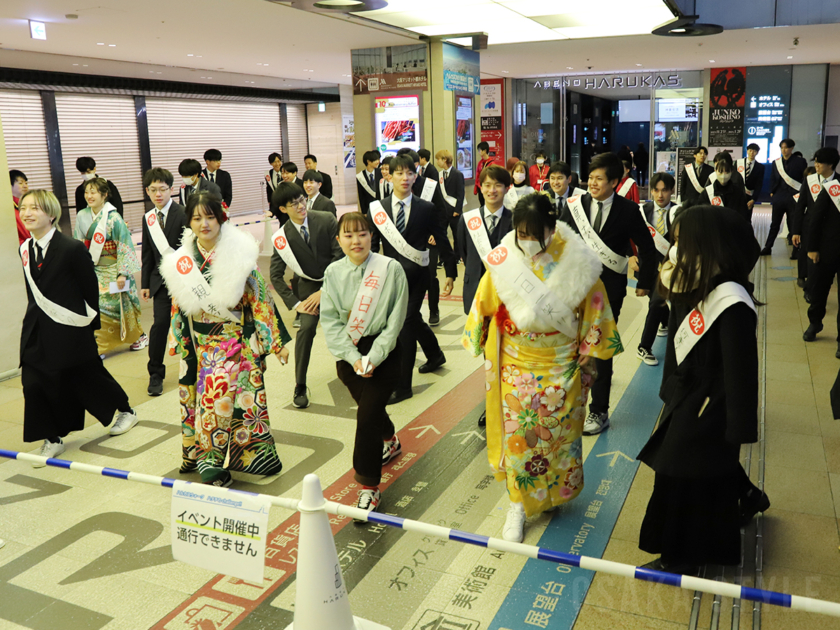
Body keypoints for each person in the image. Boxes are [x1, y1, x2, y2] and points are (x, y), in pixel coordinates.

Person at [462, 193, 620, 542]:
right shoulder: (506, 259)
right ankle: (517, 505)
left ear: (552, 228)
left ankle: (551, 493)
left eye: (536, 233)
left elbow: (596, 305)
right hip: (517, 364)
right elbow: (485, 299)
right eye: (522, 233)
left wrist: (590, 349)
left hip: (562, 364)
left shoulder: (577, 259)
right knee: (522, 437)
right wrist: (477, 334)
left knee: (560, 435)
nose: (528, 241)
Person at [637, 204, 764, 575]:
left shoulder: (732, 299)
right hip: (685, 392)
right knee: (702, 466)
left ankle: (682, 557)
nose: (675, 248)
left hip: (711, 401)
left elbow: (742, 372)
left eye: (681, 241)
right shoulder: (694, 279)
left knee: (680, 472)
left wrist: (738, 427)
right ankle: (748, 496)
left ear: (705, 244)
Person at [161, 191, 291, 487]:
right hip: (200, 342)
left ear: (221, 218)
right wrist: (177, 339)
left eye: (210, 217)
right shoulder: (182, 261)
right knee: (207, 400)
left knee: (241, 399)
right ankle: (207, 458)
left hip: (236, 341)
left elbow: (260, 298)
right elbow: (178, 305)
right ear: (189, 222)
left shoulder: (239, 254)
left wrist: (275, 342)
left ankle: (251, 453)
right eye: (197, 218)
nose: (204, 223)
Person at [18, 189, 139, 465]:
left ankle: (126, 410)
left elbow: (89, 291)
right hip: (37, 328)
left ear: (51, 213)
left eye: (34, 208)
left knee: (87, 376)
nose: (27, 213)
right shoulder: (25, 249)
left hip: (71, 328)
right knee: (34, 383)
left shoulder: (72, 248)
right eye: (24, 208)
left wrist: (88, 329)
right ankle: (52, 438)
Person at [560, 152, 657, 436]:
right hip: (574, 289)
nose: (592, 183)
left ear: (614, 181)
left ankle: (599, 412)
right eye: (590, 178)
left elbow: (646, 247)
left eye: (599, 179)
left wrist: (645, 281)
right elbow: (559, 239)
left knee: (601, 350)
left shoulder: (628, 210)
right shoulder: (575, 205)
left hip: (609, 291)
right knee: (571, 346)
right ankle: (566, 405)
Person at [321, 211, 409, 515]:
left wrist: (373, 357)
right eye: (348, 235)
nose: (355, 240)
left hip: (385, 353)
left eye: (361, 233)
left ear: (372, 235)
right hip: (350, 355)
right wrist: (355, 358)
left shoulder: (391, 269)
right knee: (371, 411)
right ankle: (390, 439)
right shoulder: (332, 273)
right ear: (339, 240)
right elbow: (330, 322)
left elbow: (395, 321)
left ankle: (369, 487)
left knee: (366, 414)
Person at [369, 154, 457, 405]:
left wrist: (450, 271)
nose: (405, 178)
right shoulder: (378, 208)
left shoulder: (426, 208)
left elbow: (441, 238)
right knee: (413, 319)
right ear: (389, 175)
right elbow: (373, 245)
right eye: (399, 173)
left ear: (415, 176)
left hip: (419, 275)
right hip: (390, 277)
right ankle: (435, 354)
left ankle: (403, 386)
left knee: (405, 323)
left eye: (410, 173)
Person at [269, 181, 343, 409]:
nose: (301, 206)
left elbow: (339, 257)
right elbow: (275, 276)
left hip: (338, 282)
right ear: (283, 209)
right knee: (307, 328)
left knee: (354, 321)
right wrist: (296, 304)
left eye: (302, 200)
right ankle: (300, 384)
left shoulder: (325, 219)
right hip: (309, 289)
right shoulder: (282, 237)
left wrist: (325, 291)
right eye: (294, 204)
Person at [456, 164, 513, 428]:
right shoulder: (468, 220)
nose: (492, 190)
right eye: (487, 185)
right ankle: (492, 404)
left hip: (509, 296)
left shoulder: (516, 220)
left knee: (508, 352)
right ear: (480, 187)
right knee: (487, 354)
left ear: (506, 188)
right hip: (477, 296)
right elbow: (464, 253)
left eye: (497, 185)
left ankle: (509, 401)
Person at [73, 177, 147, 355]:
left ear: (104, 195)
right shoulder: (82, 215)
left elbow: (124, 244)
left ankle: (138, 336)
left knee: (122, 305)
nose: (89, 196)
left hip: (115, 268)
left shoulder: (114, 218)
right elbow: (78, 242)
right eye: (87, 192)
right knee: (97, 305)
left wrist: (123, 273)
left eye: (93, 192)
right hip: (95, 268)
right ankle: (102, 344)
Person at [141, 167, 186, 396]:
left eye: (162, 189)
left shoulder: (184, 213)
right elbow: (147, 252)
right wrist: (146, 283)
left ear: (171, 189)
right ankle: (155, 374)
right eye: (153, 189)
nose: (158, 194)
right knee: (159, 326)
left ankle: (193, 369)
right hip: (160, 283)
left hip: (186, 280)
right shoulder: (148, 218)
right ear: (147, 191)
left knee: (189, 326)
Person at [634, 173, 678, 367]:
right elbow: (629, 234)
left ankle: (644, 346)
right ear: (651, 191)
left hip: (670, 268)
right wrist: (630, 256)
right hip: (647, 268)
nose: (660, 195)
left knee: (656, 302)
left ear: (671, 191)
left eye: (664, 190)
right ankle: (666, 322)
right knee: (656, 302)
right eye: (656, 190)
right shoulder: (642, 211)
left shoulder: (679, 212)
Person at [802, 148, 840, 350]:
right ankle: (814, 323)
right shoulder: (832, 187)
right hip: (826, 250)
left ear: (831, 164)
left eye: (819, 162)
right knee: (818, 291)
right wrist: (813, 248)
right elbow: (815, 220)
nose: (816, 165)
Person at [761, 138, 808, 256]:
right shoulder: (776, 163)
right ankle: (768, 247)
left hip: (794, 196)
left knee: (793, 223)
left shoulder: (800, 162)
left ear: (792, 148)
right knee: (774, 223)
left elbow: (804, 178)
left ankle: (795, 250)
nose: (784, 150)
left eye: (786, 147)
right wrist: (772, 192)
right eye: (782, 148)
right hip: (779, 196)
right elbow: (772, 178)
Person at [792, 160, 828, 291]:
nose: (817, 165)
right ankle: (804, 279)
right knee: (806, 253)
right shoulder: (810, 181)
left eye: (820, 162)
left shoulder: (836, 181)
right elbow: (800, 207)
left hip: (829, 228)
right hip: (809, 225)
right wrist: (796, 231)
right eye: (816, 162)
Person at [699, 152, 750, 224]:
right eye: (720, 172)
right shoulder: (707, 193)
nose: (723, 175)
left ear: (731, 171)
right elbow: (702, 214)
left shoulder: (738, 193)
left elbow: (743, 214)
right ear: (715, 171)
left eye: (727, 171)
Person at [435, 149, 466, 246]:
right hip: (443, 211)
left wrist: (458, 210)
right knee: (441, 234)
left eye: (438, 159)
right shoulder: (439, 175)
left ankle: (458, 257)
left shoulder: (457, 174)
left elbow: (461, 193)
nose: (437, 161)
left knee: (457, 235)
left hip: (454, 211)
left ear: (444, 160)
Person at [737, 143, 765, 213]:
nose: (752, 153)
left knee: (747, 217)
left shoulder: (760, 167)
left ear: (757, 153)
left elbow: (759, 184)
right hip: (737, 194)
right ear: (747, 151)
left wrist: (753, 199)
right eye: (750, 150)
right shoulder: (738, 163)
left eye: (754, 151)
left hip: (749, 197)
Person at [356, 150, 382, 215]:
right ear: (368, 161)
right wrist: (364, 212)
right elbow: (361, 196)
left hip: (381, 206)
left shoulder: (381, 173)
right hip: (369, 208)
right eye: (375, 160)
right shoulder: (360, 176)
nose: (378, 162)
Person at [10, 170, 31, 245]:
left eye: (26, 183)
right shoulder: (8, 208)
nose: (25, 186)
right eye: (20, 183)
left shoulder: (28, 203)